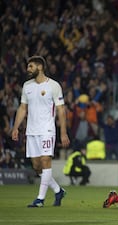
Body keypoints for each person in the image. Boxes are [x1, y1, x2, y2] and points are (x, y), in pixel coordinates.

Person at [11, 56, 70, 207]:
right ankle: (58, 191)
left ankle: (40, 199)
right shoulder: (27, 86)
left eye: (30, 66)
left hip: (47, 129)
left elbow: (61, 110)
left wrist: (63, 132)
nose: (27, 69)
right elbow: (23, 108)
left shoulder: (53, 86)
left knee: (45, 161)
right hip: (32, 131)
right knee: (37, 167)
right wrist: (16, 127)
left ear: (40, 67)